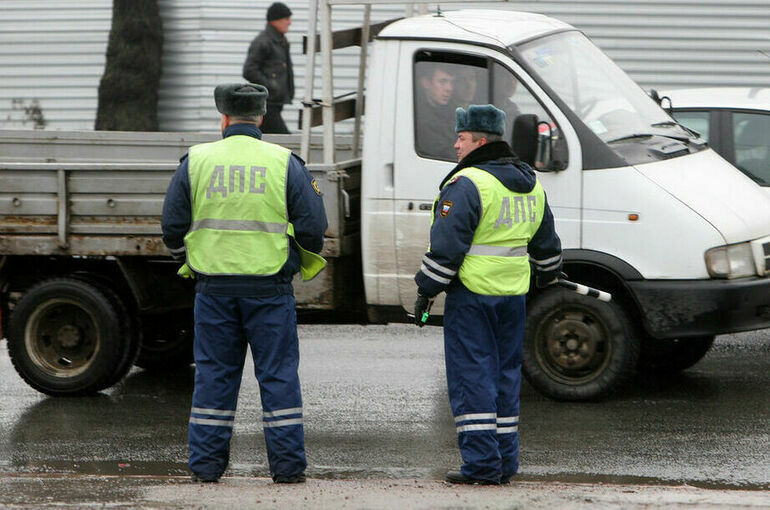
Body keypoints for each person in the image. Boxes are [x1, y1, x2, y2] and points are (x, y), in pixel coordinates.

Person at [161, 82, 327, 484]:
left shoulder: (196, 161)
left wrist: (192, 260)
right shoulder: (284, 161)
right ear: (262, 117)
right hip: (269, 289)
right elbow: (314, 227)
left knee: (214, 377)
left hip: (213, 290)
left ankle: (206, 467)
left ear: (223, 118)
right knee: (278, 376)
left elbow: (172, 226)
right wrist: (292, 258)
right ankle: (287, 469)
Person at [413, 104, 562, 485]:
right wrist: (547, 275)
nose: (455, 146)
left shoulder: (469, 184)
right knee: (505, 377)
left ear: (480, 141)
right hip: (513, 296)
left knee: (472, 376)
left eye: (461, 139)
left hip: (474, 296)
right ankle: (505, 461)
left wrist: (426, 290)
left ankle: (481, 466)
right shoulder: (531, 183)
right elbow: (546, 246)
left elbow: (447, 246)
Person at [242, 2, 295, 134]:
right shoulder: (263, 42)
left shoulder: (280, 41)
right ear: (275, 20)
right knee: (284, 139)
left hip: (274, 102)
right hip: (267, 103)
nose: (290, 22)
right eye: (286, 19)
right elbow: (249, 70)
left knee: (263, 138)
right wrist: (271, 86)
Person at [415, 63, 457, 161]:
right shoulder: (419, 116)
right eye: (442, 82)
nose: (449, 88)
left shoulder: (453, 110)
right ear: (426, 83)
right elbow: (444, 152)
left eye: (452, 83)